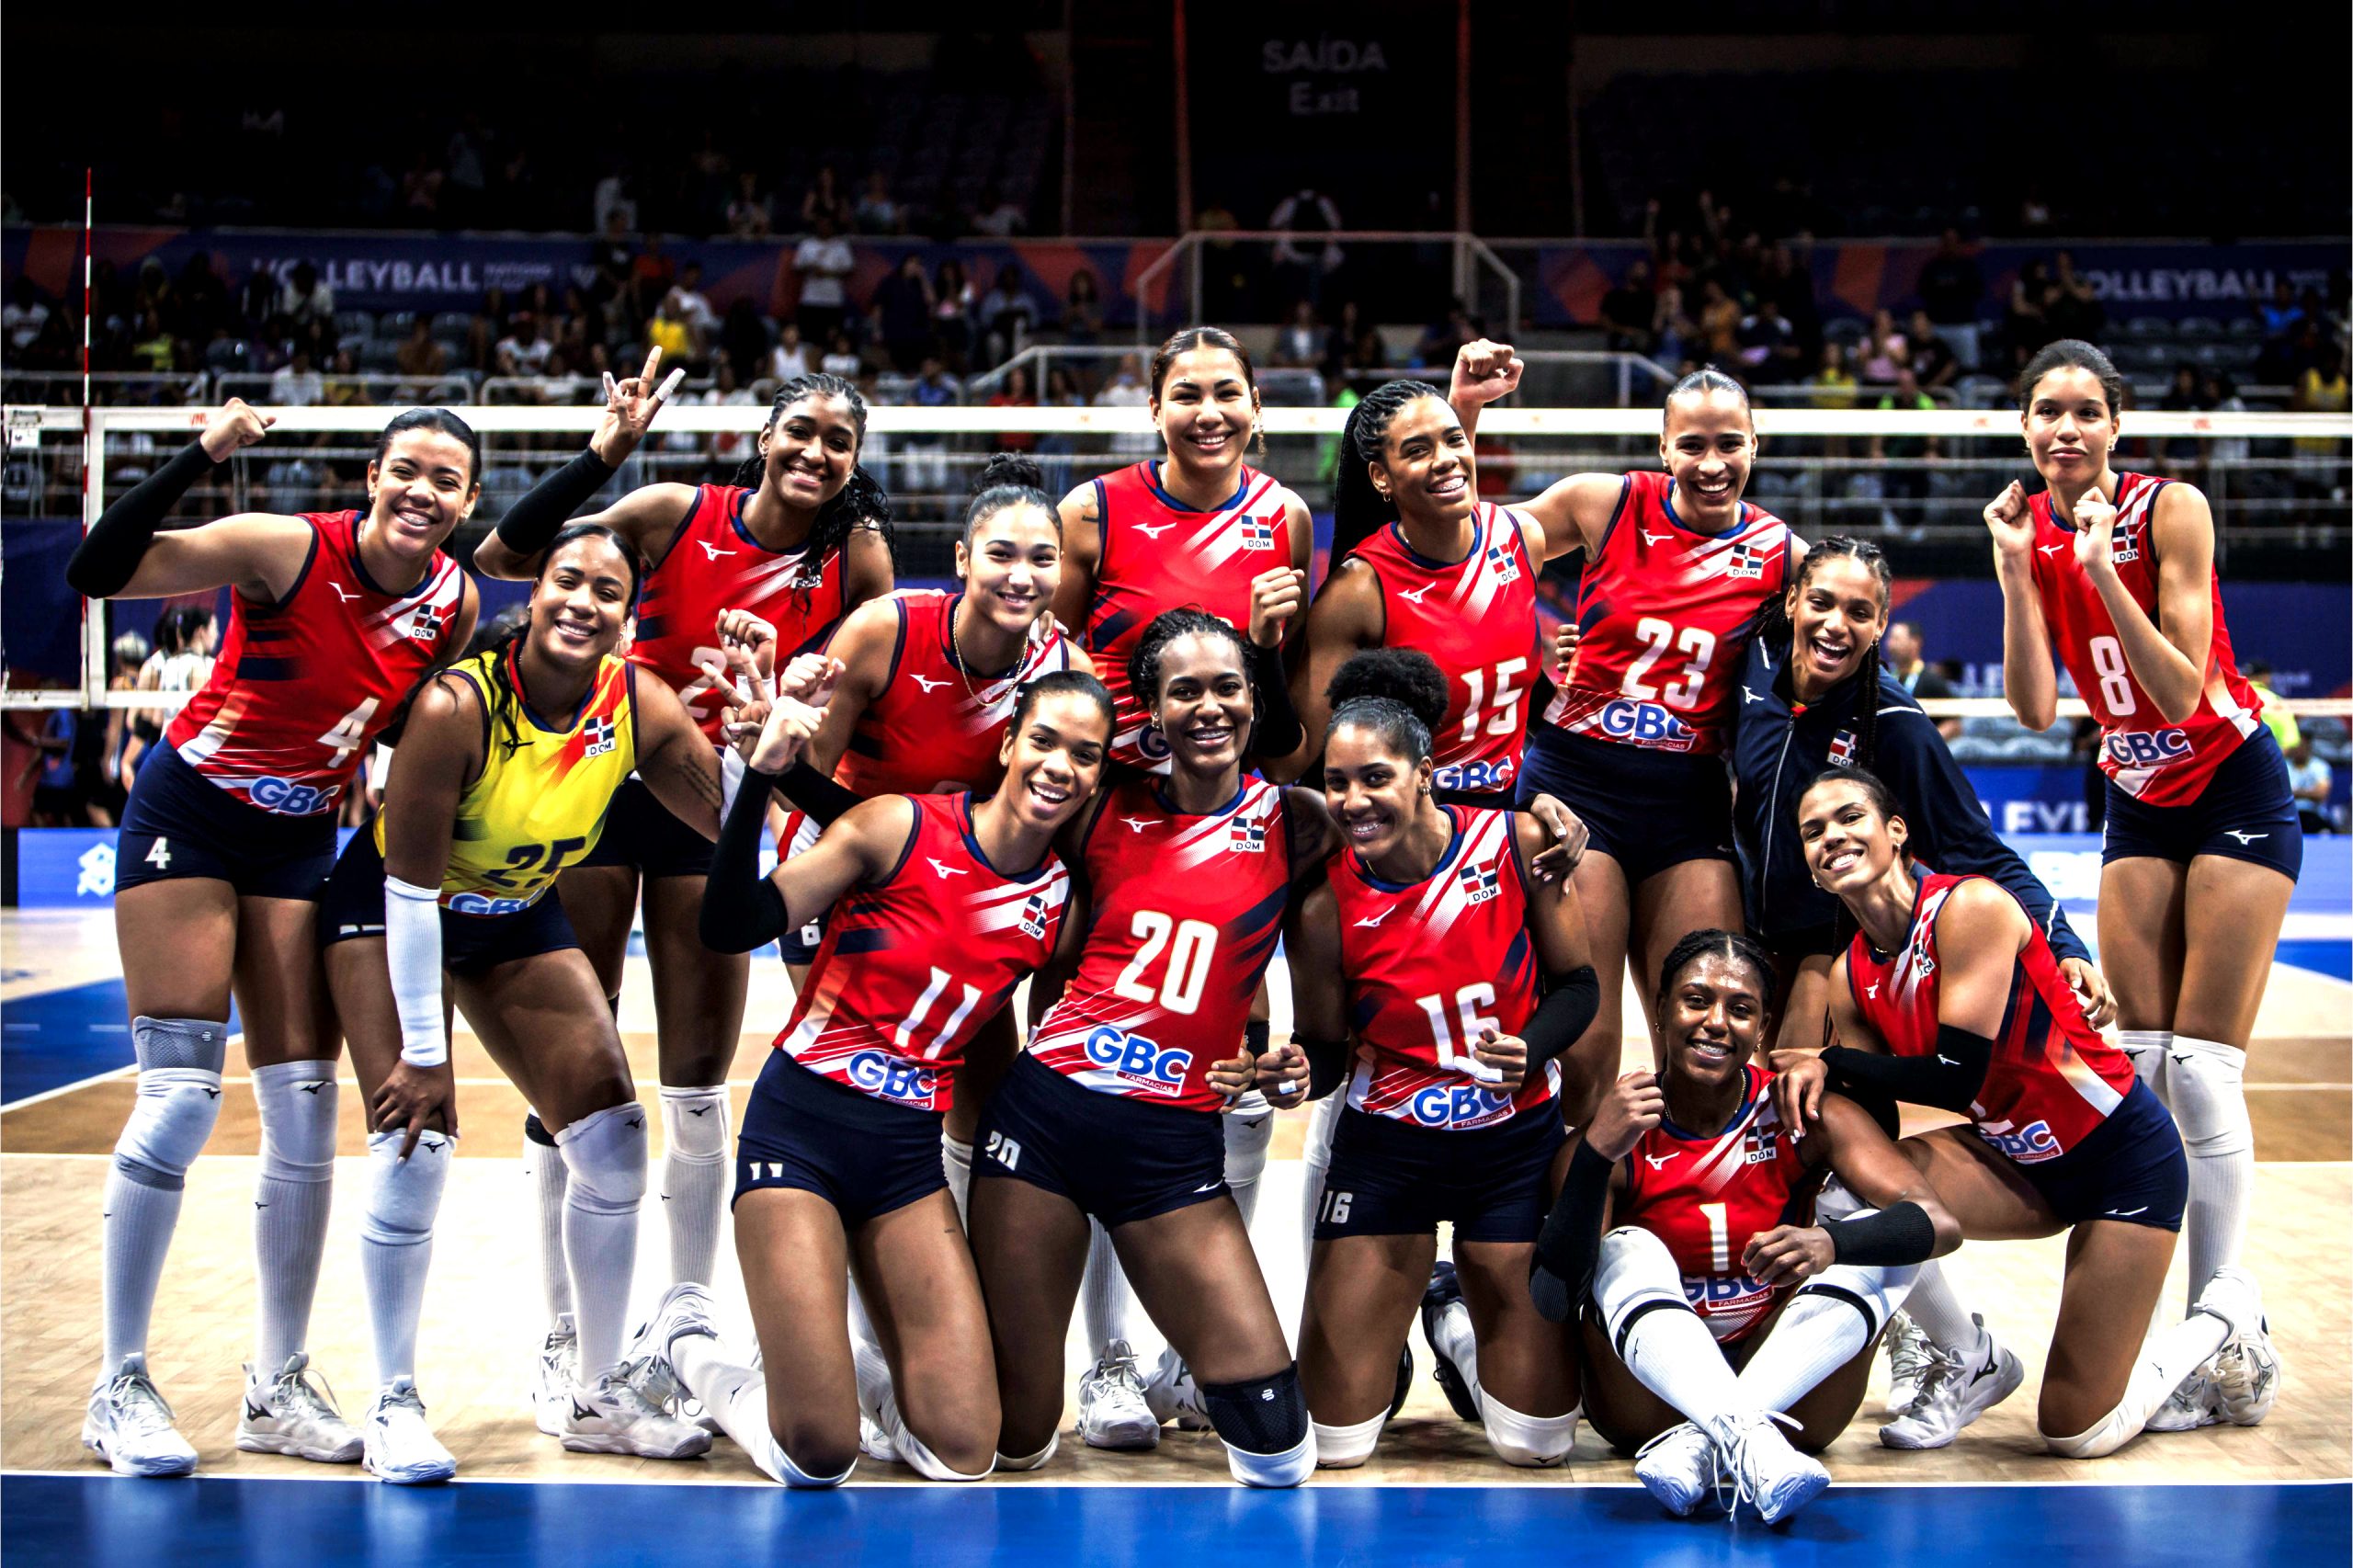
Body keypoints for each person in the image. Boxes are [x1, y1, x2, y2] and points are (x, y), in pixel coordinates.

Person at [63, 400, 481, 1476]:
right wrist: (201, 455)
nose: (421, 491)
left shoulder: (454, 603)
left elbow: (394, 728)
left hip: (299, 839)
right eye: (405, 470)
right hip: (193, 814)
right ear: (373, 477)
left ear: (467, 501)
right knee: (179, 1097)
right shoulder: (284, 546)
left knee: (304, 1112)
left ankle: (276, 1384)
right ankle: (119, 1383)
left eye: (446, 478)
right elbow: (100, 571)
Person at [473, 359, 895, 1422]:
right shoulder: (673, 511)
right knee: (574, 1068)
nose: (815, 453)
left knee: (699, 1079)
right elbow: (505, 556)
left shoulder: (855, 556)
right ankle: (570, 1330)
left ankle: (682, 1313)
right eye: (798, 430)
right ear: (763, 433)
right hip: (598, 790)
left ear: (854, 461)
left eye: (837, 442)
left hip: (725, 810)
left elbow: (880, 681)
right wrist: (602, 452)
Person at [321, 524, 732, 1480]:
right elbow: (412, 889)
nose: (584, 601)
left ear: (629, 619)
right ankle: (393, 1402)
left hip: (508, 912)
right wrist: (427, 1051)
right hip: (394, 908)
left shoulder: (636, 702)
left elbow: (729, 823)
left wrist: (757, 746)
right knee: (414, 1138)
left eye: (608, 591)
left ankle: (593, 1393)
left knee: (614, 1135)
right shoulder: (458, 703)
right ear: (533, 591)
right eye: (568, 581)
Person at [637, 666, 1115, 1487]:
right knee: (818, 1456)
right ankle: (691, 1352)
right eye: (1042, 740)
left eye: (1086, 754)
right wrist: (762, 775)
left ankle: (850, 1367)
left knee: (964, 1453)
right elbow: (730, 924)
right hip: (799, 1134)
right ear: (1007, 743)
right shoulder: (894, 824)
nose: (1059, 766)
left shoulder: (1061, 902)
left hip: (903, 1159)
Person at [1775, 768, 2273, 1458]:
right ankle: (1968, 1356)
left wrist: (1828, 1060)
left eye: (1849, 817)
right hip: (2019, 1165)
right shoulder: (1849, 974)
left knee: (2078, 1432)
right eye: (1813, 831)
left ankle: (2224, 1313)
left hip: (2122, 1165)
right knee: (1851, 1190)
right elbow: (1877, 1118)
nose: (1832, 836)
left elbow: (1953, 1077)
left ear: (1896, 832)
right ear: (1811, 866)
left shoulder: (1970, 907)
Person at [1986, 338, 2295, 1426]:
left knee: (2206, 1070)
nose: (2063, 431)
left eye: (2083, 412)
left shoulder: (2174, 510)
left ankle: (2223, 1329)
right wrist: (2024, 574)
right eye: (2044, 413)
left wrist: (2099, 564)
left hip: (2228, 784)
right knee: (2147, 1065)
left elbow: (2176, 691)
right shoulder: (2025, 525)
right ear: (2024, 427)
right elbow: (2032, 708)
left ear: (2116, 423)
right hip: (2136, 797)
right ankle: (2177, 1322)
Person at [966, 608, 1318, 1483]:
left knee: (1278, 1449)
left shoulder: (1298, 821)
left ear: (1253, 698)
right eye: (1184, 690)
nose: (1209, 707)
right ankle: (908, 1380)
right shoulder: (1100, 804)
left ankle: (1169, 1366)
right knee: (1014, 1440)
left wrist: (1538, 816)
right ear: (1152, 711)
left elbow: (1430, 830)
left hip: (1169, 1147)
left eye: (1227, 686)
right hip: (1044, 1121)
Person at [1045, 326, 1311, 1442]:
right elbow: (1047, 662)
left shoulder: (1285, 516)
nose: (1207, 411)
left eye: (1226, 394)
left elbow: (1288, 710)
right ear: (1154, 408)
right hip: (1109, 822)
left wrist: (1267, 653)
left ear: (1254, 406)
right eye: (1185, 394)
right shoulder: (1093, 512)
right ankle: (1106, 1357)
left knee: (1229, 1079)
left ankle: (1181, 1351)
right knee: (1102, 1077)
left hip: (1225, 820)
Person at [1253, 666, 1601, 1471]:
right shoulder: (1322, 906)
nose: (1353, 800)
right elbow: (1332, 1051)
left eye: (1376, 777)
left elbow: (1579, 988)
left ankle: (1448, 1318)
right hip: (1390, 1153)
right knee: (1334, 1446)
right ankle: (1400, 1329)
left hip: (1510, 1148)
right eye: (1336, 783)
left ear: (1425, 775)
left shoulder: (1516, 843)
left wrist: (1534, 1047)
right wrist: (1299, 1072)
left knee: (1536, 1444)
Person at [1448, 341, 1799, 1132]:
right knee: (1587, 1039)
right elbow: (1472, 542)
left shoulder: (1783, 557)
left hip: (1690, 806)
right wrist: (1465, 409)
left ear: (1755, 445)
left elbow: (1841, 656)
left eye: (1729, 444)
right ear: (1663, 445)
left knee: (1708, 1026)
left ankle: (1688, 1212)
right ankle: (1563, 1224)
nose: (1712, 463)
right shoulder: (1604, 503)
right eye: (1694, 445)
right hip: (1579, 789)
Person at [1527, 930, 1961, 1522]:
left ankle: (1711, 1442)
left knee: (1873, 1235)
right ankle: (1746, 1439)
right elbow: (1556, 1297)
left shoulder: (1802, 1113)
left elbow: (1938, 1223)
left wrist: (1832, 1242)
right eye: (1695, 1000)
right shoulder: (1618, 1126)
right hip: (1650, 1401)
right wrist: (1595, 1157)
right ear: (1659, 1010)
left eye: (1740, 1009)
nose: (1716, 1022)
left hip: (1788, 1385)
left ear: (1761, 1029)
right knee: (1627, 1248)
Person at [1728, 536, 2105, 1054]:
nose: (1836, 624)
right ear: (1793, 601)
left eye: (1859, 612)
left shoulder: (1895, 724)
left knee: (1794, 1081)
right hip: (1745, 915)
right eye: (1821, 603)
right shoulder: (1755, 658)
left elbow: (1976, 849)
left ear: (1881, 625)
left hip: (1829, 931)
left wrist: (2062, 942)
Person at [1286, 379, 1544, 810]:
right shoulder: (1358, 592)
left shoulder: (1520, 538)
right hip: (1412, 830)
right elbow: (1292, 762)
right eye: (1417, 450)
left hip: (1510, 813)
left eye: (1453, 439)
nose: (1445, 460)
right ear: (1380, 478)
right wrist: (1261, 647)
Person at [1882, 619, 1961, 741]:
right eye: (1890, 639)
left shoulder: (1932, 681)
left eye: (1896, 639)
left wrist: (1927, 744)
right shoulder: (1886, 679)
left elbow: (1954, 724)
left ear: (1915, 642)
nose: (1890, 645)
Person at [2244, 660, 2301, 757]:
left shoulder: (2230, 698)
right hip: (2265, 762)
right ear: (2266, 677)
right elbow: (2289, 740)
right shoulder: (2275, 701)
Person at [2288, 741, 2332, 834]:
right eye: (2297, 747)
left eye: (2302, 747)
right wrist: (2309, 793)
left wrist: (2294, 793)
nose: (2299, 750)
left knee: (2325, 831)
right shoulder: (2284, 765)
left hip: (2313, 814)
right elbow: (2276, 794)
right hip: (2288, 814)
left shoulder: (2320, 766)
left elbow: (2320, 794)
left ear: (2308, 748)